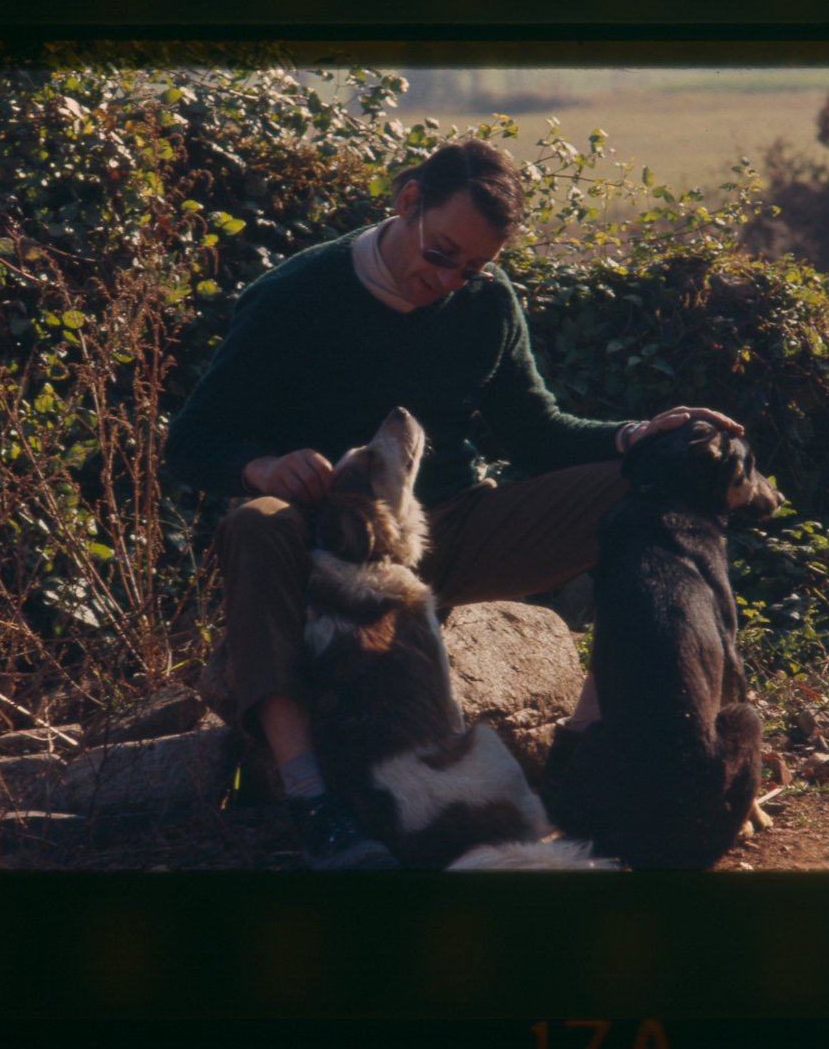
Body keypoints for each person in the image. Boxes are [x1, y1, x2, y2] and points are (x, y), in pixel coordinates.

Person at [164, 141, 744, 868]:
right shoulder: (293, 296)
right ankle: (314, 802)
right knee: (254, 525)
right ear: (408, 202)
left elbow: (537, 433)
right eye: (441, 254)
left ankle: (597, 756)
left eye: (471, 268)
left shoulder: (486, 304)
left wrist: (635, 435)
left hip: (452, 528)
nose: (447, 280)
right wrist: (263, 466)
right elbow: (190, 441)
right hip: (328, 546)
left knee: (665, 477)